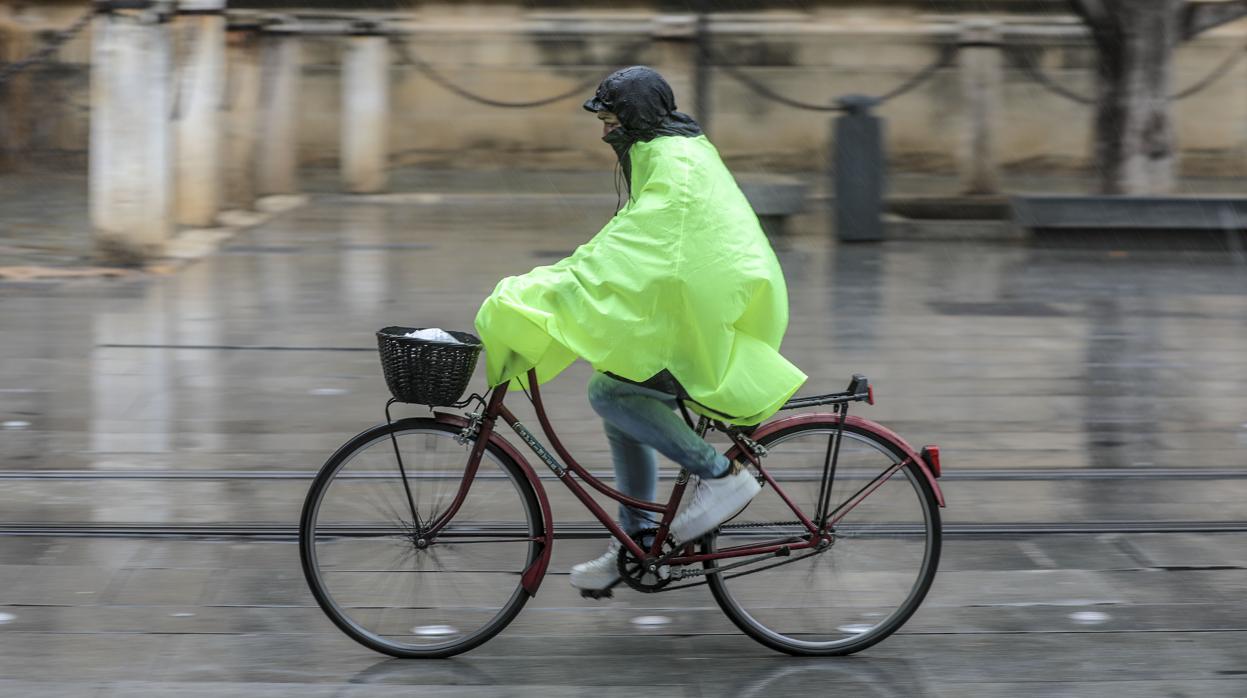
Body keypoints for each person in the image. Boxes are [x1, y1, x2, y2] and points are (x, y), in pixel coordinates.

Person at [474, 66, 806, 592]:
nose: (604, 131)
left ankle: (722, 478)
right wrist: (567, 278)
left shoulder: (672, 163)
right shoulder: (671, 150)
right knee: (618, 388)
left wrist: (558, 285)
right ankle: (639, 539)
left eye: (609, 120)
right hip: (702, 296)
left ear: (633, 119)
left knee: (610, 393)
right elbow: (633, 240)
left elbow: (631, 247)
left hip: (705, 308)